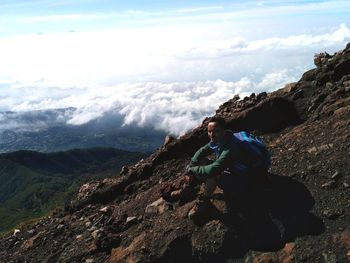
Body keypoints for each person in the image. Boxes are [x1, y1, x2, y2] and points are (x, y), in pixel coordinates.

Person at [186, 116, 269, 219]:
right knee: (200, 161)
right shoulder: (221, 139)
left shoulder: (232, 147)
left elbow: (213, 170)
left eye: (215, 131)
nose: (211, 135)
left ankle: (204, 201)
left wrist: (191, 169)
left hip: (250, 180)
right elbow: (202, 150)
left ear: (223, 131)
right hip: (239, 171)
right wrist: (193, 162)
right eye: (209, 131)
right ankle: (189, 186)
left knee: (214, 174)